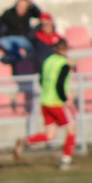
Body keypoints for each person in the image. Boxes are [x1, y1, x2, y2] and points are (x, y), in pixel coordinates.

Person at [13, 39, 76, 170]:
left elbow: (42, 79)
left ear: (55, 49)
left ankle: (25, 142)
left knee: (50, 135)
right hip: (56, 102)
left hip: (45, 101)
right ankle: (66, 160)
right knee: (71, 130)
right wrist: (65, 100)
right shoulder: (64, 64)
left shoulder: (48, 61)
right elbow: (59, 85)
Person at [0, 0, 42, 64]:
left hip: (23, 39)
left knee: (31, 47)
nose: (20, 8)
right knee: (4, 42)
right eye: (19, 5)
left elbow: (40, 14)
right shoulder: (9, 13)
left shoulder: (29, 12)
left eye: (23, 6)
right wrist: (2, 34)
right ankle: (17, 57)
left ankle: (20, 60)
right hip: (9, 38)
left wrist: (31, 4)